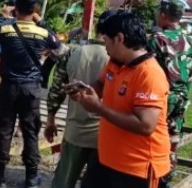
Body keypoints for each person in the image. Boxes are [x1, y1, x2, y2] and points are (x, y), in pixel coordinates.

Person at [72, 11, 171, 188]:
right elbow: (101, 83)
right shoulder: (115, 62)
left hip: (136, 168)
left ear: (119, 38)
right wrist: (85, 91)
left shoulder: (149, 73)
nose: (105, 46)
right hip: (106, 159)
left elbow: (145, 125)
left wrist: (98, 108)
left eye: (106, 40)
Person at [0, 0, 61, 188]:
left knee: (5, 130)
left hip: (8, 86)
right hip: (31, 89)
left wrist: (2, 15)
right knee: (30, 132)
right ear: (34, 9)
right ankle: (31, 178)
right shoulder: (42, 33)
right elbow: (58, 45)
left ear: (15, 8)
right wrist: (40, 20)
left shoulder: (5, 29)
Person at [45, 11, 114, 188]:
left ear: (96, 28)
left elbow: (56, 91)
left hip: (75, 132)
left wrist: (50, 121)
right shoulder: (118, 60)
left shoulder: (73, 54)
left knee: (63, 182)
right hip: (105, 137)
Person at [147, 0, 192, 188]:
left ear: (163, 14)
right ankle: (167, 179)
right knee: (173, 142)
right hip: (182, 100)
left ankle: (154, 180)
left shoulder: (156, 40)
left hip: (162, 100)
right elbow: (190, 75)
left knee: (152, 143)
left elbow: (146, 71)